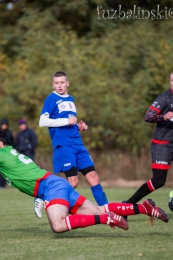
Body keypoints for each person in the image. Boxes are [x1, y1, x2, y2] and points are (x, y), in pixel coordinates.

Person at [0, 130, 169, 234]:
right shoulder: (3, 158)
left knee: (58, 225)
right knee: (98, 208)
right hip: (57, 184)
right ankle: (142, 208)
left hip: (50, 187)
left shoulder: (1, 154)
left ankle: (106, 219)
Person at [123, 70, 173, 220]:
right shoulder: (164, 98)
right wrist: (163, 116)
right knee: (158, 181)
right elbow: (148, 116)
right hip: (162, 145)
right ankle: (127, 206)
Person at [38, 71, 108, 217]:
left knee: (93, 177)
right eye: (56, 83)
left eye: (62, 82)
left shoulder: (71, 99)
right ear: (53, 84)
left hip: (78, 144)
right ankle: (44, 199)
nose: (59, 85)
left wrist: (78, 127)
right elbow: (42, 121)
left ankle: (107, 212)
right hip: (64, 146)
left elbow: (69, 123)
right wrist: (67, 121)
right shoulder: (51, 99)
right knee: (73, 182)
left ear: (67, 83)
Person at [0, 118, 14, 188]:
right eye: (3, 125)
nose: (4, 126)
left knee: (5, 170)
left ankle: (3, 185)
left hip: (6, 154)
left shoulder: (9, 133)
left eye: (5, 125)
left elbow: (12, 143)